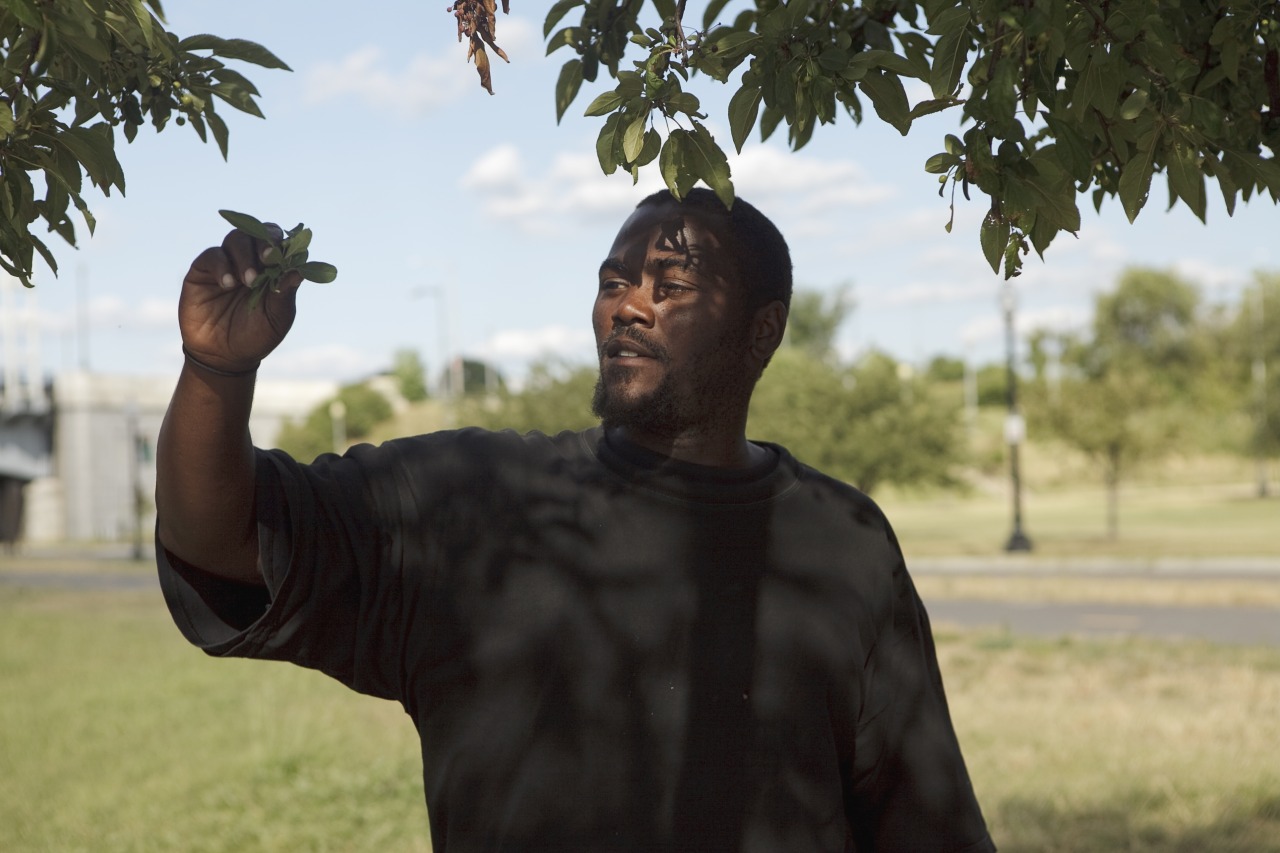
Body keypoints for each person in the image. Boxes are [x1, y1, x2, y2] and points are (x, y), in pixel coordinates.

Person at [155, 188, 996, 853]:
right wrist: (215, 371)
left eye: (670, 287)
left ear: (762, 331)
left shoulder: (842, 540)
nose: (626, 306)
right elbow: (224, 541)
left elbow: (918, 816)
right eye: (612, 282)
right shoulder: (475, 504)